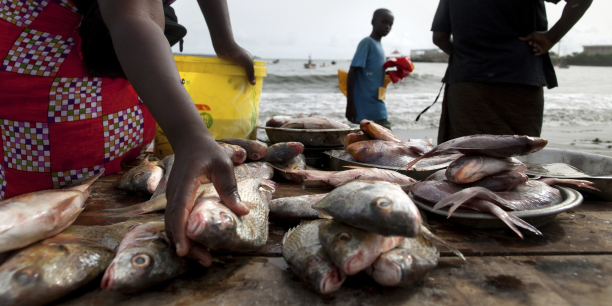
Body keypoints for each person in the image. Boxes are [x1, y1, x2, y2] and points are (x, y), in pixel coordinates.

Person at [0, 0, 255, 267]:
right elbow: (135, 13)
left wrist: (225, 42)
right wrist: (192, 137)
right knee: (40, 223)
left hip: (130, 57)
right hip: (51, 58)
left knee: (115, 186)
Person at [431, 0, 591, 144]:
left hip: (468, 84)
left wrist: (466, 58)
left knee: (462, 161)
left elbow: (439, 37)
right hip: (521, 79)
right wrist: (551, 38)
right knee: (518, 160)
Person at [345, 9, 394, 130]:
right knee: (388, 138)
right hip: (366, 105)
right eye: (384, 22)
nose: (387, 26)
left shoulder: (379, 46)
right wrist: (350, 104)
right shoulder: (367, 43)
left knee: (374, 144)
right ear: (373, 22)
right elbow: (353, 71)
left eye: (390, 24)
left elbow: (371, 72)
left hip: (376, 102)